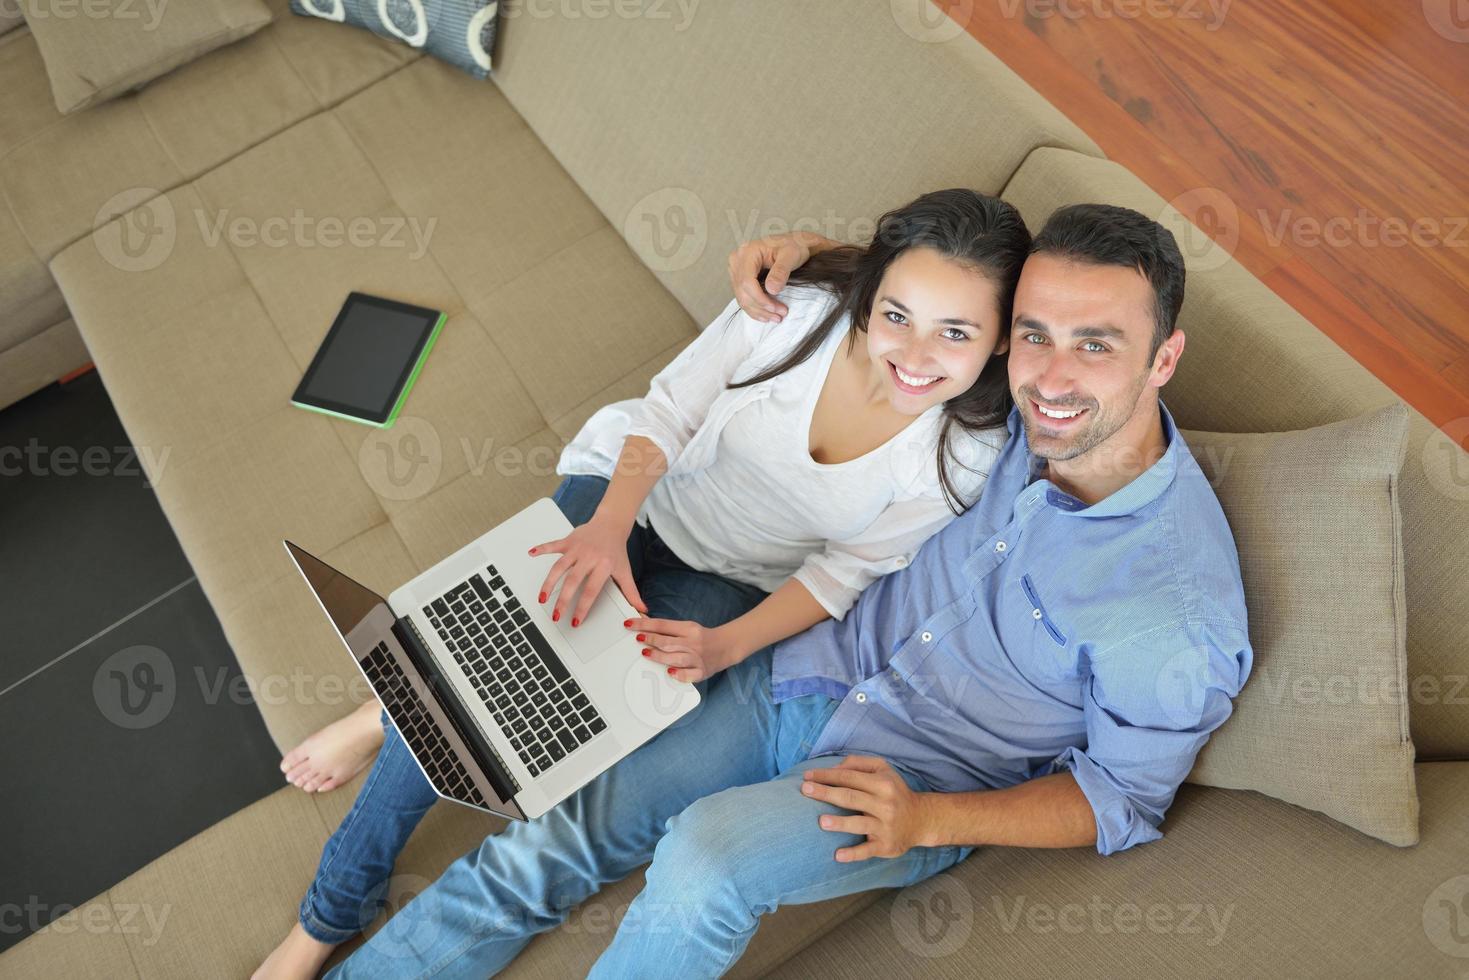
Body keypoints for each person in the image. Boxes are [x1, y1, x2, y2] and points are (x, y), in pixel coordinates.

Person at [294, 201, 1252, 979]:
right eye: (1034, 336)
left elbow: (1122, 798)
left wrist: (932, 822)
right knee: (545, 845)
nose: (1050, 374)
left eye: (1097, 346)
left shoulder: (1176, 609)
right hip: (796, 680)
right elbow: (927, 293)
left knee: (706, 859)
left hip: (914, 782)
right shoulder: (1003, 413)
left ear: (1164, 358)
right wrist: (810, 253)